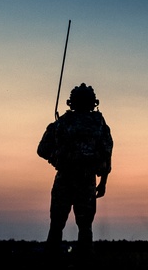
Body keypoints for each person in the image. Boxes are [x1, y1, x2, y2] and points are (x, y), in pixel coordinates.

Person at [37, 82, 114, 258]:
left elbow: (42, 149)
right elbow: (107, 154)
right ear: (93, 102)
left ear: (71, 102)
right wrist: (103, 183)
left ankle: (53, 262)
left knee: (58, 224)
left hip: (67, 179)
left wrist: (57, 158)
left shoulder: (63, 123)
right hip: (82, 181)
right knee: (83, 226)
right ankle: (83, 264)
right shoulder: (98, 125)